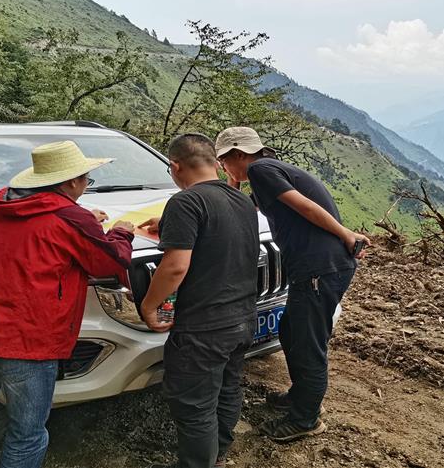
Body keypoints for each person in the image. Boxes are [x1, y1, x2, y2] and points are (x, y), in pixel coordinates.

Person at [0, 140, 135, 468]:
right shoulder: (71, 218)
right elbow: (109, 262)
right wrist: (121, 232)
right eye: (86, 180)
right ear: (71, 182)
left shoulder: (0, 203)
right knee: (27, 433)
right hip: (27, 341)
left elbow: (38, 227)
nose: (86, 186)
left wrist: (83, 218)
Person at [215, 126, 369, 442]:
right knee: (290, 331)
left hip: (319, 269)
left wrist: (345, 234)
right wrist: (233, 180)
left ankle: (305, 419)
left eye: (223, 161)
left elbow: (305, 206)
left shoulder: (260, 170)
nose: (222, 167)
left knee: (306, 343)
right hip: (317, 269)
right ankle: (302, 397)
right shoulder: (268, 172)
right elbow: (239, 208)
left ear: (238, 154)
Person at [139, 133, 259, 468]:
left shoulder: (185, 202)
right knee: (227, 389)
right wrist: (169, 225)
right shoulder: (241, 201)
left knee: (194, 406)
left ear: (175, 166)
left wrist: (149, 306)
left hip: (204, 328)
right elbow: (219, 237)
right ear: (215, 163)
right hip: (242, 318)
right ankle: (218, 454)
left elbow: (175, 267)